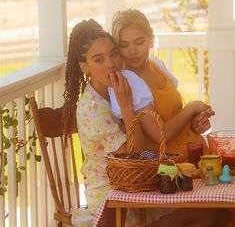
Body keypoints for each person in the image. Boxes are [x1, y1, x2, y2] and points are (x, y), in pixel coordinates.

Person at [63, 19, 228, 227]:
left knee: (220, 213)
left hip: (139, 186)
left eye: (114, 54)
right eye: (99, 60)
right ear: (84, 67)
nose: (111, 64)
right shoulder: (92, 109)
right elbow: (136, 154)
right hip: (115, 203)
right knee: (208, 215)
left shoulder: (120, 87)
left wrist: (193, 123)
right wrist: (126, 107)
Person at [112, 8, 214, 159]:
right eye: (124, 45)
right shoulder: (128, 82)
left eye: (139, 42)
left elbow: (175, 116)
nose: (132, 51)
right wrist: (191, 108)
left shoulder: (157, 65)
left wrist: (194, 123)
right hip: (169, 169)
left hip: (198, 155)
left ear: (151, 40)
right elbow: (161, 135)